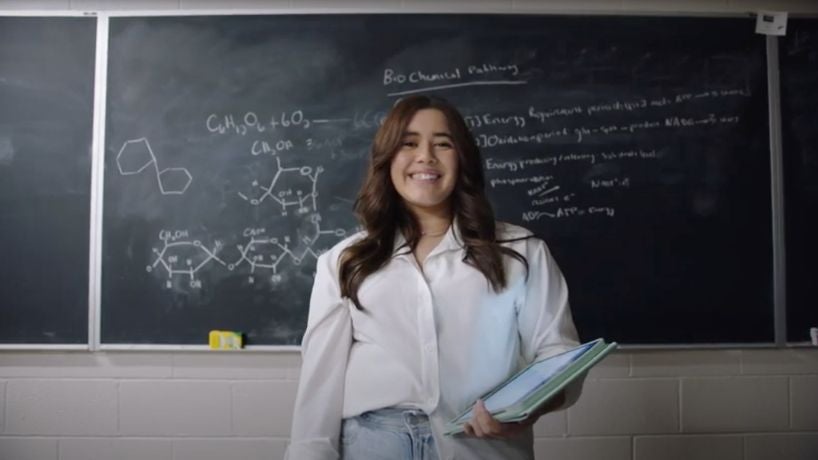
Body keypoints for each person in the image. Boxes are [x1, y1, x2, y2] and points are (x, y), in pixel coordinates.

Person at [285, 95, 581, 460]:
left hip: (480, 446)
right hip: (372, 444)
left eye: (443, 143)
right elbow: (320, 387)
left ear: (463, 160)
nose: (425, 156)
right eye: (409, 144)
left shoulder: (520, 251)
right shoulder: (345, 261)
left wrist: (527, 408)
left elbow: (558, 353)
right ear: (387, 159)